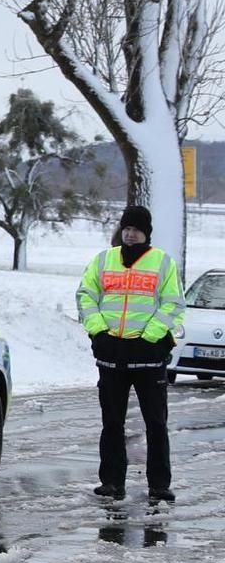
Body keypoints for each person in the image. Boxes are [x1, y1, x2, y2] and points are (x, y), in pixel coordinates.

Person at [78, 205, 183, 503]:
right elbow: (86, 296)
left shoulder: (162, 263)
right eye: (126, 228)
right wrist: (98, 332)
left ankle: (159, 485)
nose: (130, 233)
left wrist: (150, 337)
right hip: (112, 354)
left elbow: (173, 303)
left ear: (146, 232)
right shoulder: (103, 260)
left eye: (136, 229)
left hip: (149, 357)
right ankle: (111, 481)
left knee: (156, 423)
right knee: (112, 422)